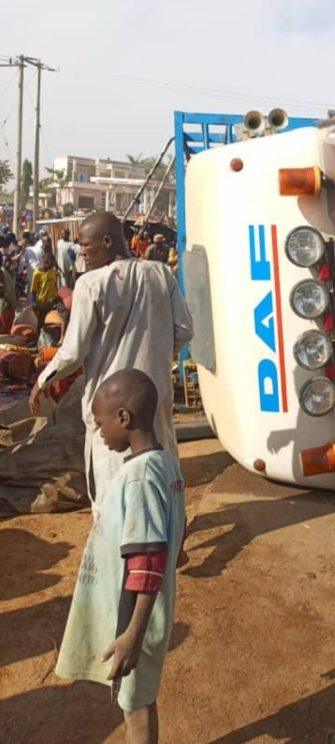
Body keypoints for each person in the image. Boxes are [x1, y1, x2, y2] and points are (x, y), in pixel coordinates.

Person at [55, 369, 186, 744]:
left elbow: (148, 561)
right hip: (145, 612)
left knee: (136, 711)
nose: (99, 433)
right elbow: (175, 536)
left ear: (124, 418)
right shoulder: (166, 463)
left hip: (135, 618)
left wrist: (133, 634)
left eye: (100, 424)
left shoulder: (139, 478)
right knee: (139, 701)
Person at [29, 211, 193, 510]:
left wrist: (42, 381)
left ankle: (117, 535)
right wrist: (157, 358)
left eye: (85, 245)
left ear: (106, 242)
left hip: (110, 403)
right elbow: (184, 330)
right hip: (155, 394)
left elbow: (73, 352)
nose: (81, 252)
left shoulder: (91, 284)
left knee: (112, 486)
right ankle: (168, 530)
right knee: (161, 470)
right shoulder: (160, 274)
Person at [30, 249, 60, 327]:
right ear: (45, 262)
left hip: (52, 301)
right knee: (41, 319)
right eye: (51, 264)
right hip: (42, 302)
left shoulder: (53, 272)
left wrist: (57, 297)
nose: (52, 266)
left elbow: (55, 285)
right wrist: (33, 302)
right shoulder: (37, 273)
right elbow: (33, 290)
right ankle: (39, 331)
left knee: (52, 320)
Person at [0, 254, 18, 333]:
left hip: (6, 305)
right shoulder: (4, 271)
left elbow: (2, 289)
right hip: (8, 305)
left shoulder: (3, 272)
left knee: (4, 330)